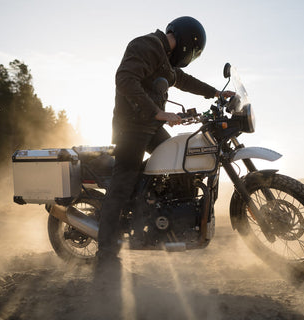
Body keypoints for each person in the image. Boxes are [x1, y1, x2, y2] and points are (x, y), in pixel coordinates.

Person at [96, 16, 234, 272]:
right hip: (132, 128)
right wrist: (158, 113)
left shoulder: (163, 59)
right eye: (194, 53)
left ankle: (166, 221)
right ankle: (105, 253)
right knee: (123, 183)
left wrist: (215, 93)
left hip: (150, 127)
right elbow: (125, 80)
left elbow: (183, 80)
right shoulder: (146, 45)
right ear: (187, 45)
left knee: (176, 165)